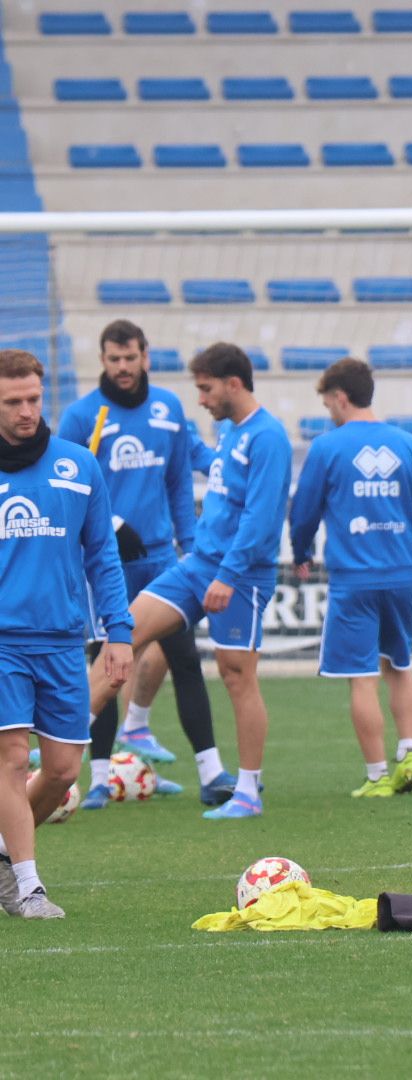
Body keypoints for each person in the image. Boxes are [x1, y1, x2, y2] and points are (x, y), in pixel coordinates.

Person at [85, 342, 291, 819]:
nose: (200, 398)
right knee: (123, 634)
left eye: (205, 388)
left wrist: (229, 574)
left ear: (233, 384)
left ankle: (247, 791)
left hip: (240, 575)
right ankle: (63, 739)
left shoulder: (269, 438)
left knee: (238, 675)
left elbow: (261, 519)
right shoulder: (228, 431)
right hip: (198, 564)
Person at [58, 319, 230, 808]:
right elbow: (69, 490)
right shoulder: (81, 417)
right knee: (107, 665)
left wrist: (192, 545)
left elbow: (178, 482)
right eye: (114, 360)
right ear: (103, 361)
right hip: (104, 564)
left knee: (185, 660)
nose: (123, 368)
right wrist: (111, 523)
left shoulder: (168, 409)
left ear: (146, 357)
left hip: (160, 561)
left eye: (130, 358)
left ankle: (212, 772)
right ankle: (95, 779)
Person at [0, 349, 133, 918]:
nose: (27, 410)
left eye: (33, 398)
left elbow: (103, 555)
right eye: (13, 402)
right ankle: (28, 886)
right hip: (3, 642)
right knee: (9, 757)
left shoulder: (79, 466)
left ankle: (4, 852)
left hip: (62, 641)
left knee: (60, 771)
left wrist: (119, 632)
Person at [287, 358, 412, 797]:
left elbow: (303, 511)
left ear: (340, 397)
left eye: (328, 402)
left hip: (354, 580)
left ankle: (378, 776)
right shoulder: (409, 445)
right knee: (399, 666)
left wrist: (301, 552)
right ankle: (410, 750)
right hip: (401, 576)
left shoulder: (327, 448)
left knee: (362, 677)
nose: (328, 410)